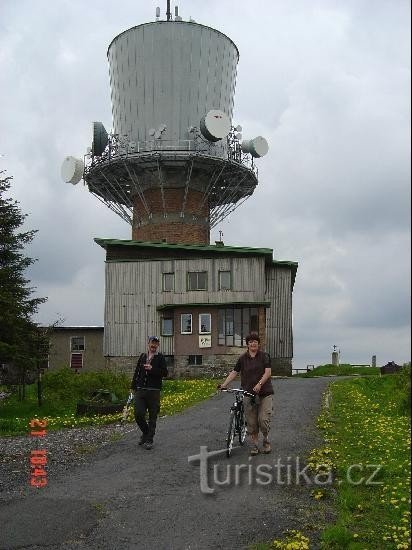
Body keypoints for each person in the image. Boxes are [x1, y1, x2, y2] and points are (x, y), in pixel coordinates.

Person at [219, 331, 273, 456]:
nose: (253, 344)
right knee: (251, 423)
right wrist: (224, 384)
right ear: (247, 345)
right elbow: (234, 372)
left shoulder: (264, 356)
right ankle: (254, 446)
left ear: (258, 344)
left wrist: (259, 384)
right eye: (250, 342)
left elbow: (268, 372)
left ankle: (266, 441)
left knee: (263, 420)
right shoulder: (242, 358)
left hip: (265, 393)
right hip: (248, 394)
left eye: (255, 341)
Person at [130, 336, 168, 450]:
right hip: (140, 390)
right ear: (148, 344)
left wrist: (152, 369)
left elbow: (165, 373)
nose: (154, 345)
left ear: (158, 345)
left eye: (156, 344)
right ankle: (146, 433)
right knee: (138, 414)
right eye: (152, 343)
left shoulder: (160, 357)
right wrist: (133, 386)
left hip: (154, 391)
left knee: (152, 417)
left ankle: (149, 439)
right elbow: (137, 371)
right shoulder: (143, 356)